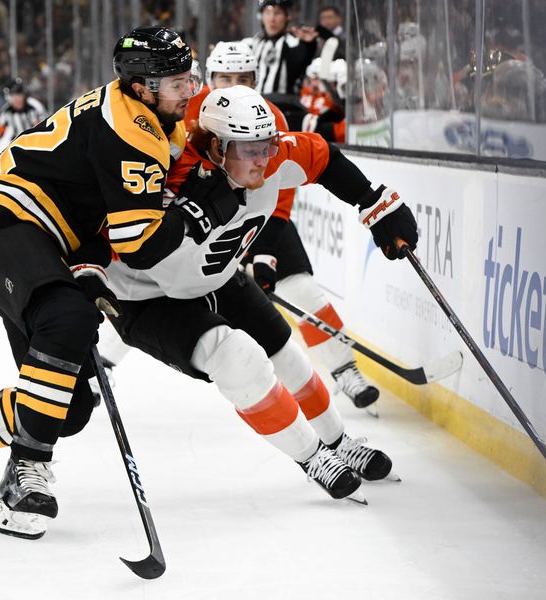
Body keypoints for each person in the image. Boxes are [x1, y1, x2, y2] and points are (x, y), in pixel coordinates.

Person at [0, 26, 196, 540]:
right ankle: (24, 475)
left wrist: (90, 267)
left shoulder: (153, 124)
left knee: (67, 408)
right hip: (7, 225)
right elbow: (140, 244)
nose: (190, 90)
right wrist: (205, 209)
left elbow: (98, 216)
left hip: (48, 244)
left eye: (190, 77)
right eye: (178, 82)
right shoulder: (133, 128)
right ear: (141, 86)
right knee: (67, 321)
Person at [105, 85, 419, 502]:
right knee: (236, 358)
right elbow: (106, 226)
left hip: (218, 276)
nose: (263, 160)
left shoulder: (273, 156)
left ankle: (339, 442)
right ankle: (312, 457)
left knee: (284, 351)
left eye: (267, 144)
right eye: (249, 150)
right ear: (216, 148)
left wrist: (373, 202)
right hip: (146, 295)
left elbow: (323, 155)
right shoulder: (164, 169)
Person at [99, 41, 381, 411]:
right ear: (209, 79)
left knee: (302, 289)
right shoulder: (182, 117)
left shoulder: (267, 116)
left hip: (260, 218)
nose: (238, 84)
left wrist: (261, 251)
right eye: (226, 77)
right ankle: (103, 363)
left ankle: (344, 368)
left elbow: (279, 185)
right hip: (203, 223)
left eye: (245, 77)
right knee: (154, 290)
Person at [244, 0, 319, 96]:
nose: (272, 19)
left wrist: (308, 45)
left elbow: (301, 63)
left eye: (277, 13)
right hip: (255, 104)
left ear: (287, 17)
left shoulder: (293, 43)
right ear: (261, 17)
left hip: (285, 107)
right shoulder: (253, 43)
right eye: (267, 13)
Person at [0, 77, 48, 156]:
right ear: (8, 97)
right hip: (19, 148)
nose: (18, 99)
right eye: (14, 96)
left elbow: (47, 128)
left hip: (38, 147)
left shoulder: (35, 107)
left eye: (20, 94)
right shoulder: (6, 112)